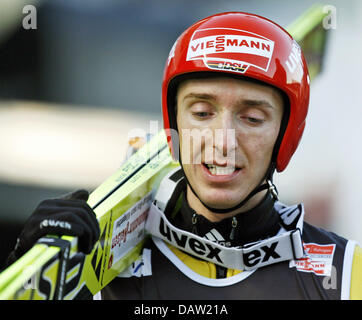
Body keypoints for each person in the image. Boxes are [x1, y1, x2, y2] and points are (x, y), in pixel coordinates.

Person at [6, 12, 362, 300]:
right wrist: (34, 278)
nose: (223, 143)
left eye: (252, 118)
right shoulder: (102, 270)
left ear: (286, 136)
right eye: (202, 113)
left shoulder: (344, 276)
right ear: (173, 124)